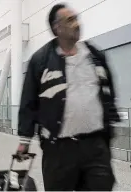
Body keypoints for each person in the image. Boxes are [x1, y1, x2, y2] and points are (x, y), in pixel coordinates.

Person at [16, 3, 120, 191]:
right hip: (59, 150)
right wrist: (25, 140)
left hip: (95, 146)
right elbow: (29, 101)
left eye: (76, 18)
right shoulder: (41, 60)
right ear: (57, 28)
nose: (77, 23)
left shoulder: (94, 55)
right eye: (70, 20)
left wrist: (109, 126)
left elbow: (109, 91)